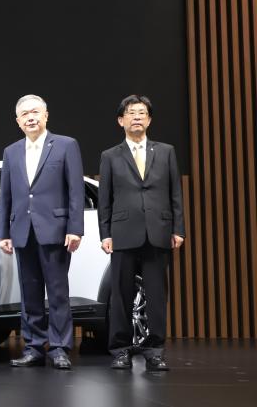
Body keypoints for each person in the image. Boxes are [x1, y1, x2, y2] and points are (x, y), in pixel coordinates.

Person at [0, 94, 85, 370]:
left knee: (57, 293)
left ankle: (59, 348)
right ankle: (34, 346)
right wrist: (3, 233)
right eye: (25, 114)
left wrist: (75, 229)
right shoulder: (11, 152)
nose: (30, 117)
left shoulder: (66, 145)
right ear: (18, 121)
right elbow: (5, 195)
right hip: (23, 231)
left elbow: (76, 191)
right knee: (30, 293)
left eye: (35, 112)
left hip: (55, 230)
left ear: (46, 116)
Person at [98, 95, 184, 371]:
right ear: (120, 120)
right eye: (131, 113)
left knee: (156, 296)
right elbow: (105, 199)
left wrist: (178, 228)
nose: (137, 117)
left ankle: (155, 351)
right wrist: (105, 233)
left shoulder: (166, 151)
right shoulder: (110, 156)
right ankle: (120, 350)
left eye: (142, 113)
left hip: (158, 231)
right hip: (123, 232)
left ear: (149, 120)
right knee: (120, 295)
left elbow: (175, 193)